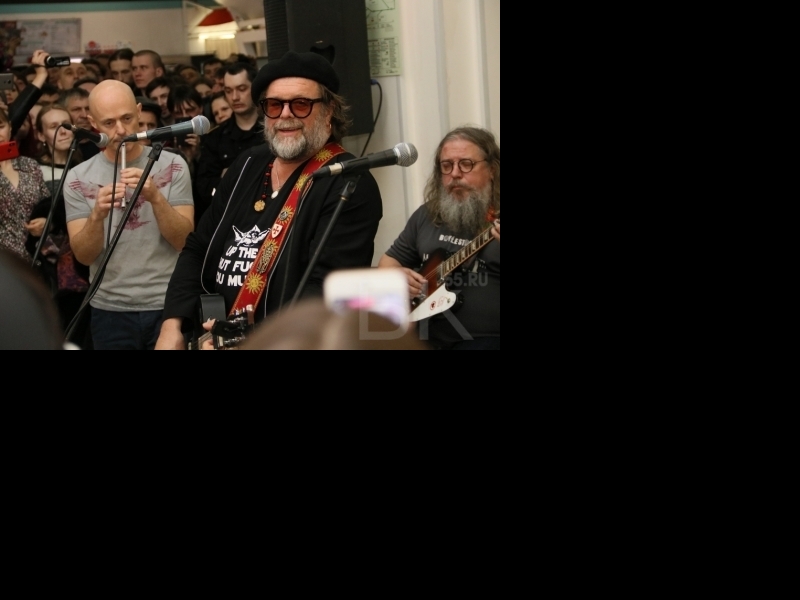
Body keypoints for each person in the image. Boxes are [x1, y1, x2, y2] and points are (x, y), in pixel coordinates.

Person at [155, 50, 383, 350]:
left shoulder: (348, 182)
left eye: (300, 104)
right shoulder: (248, 164)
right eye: (274, 105)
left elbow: (326, 290)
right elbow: (198, 247)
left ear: (329, 112)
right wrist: (172, 325)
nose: (285, 115)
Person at [63, 80, 195, 350]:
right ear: (93, 123)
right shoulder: (78, 177)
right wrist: (97, 215)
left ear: (138, 112)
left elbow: (184, 241)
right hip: (109, 308)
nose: (121, 130)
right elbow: (84, 256)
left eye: (126, 118)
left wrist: (155, 196)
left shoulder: (173, 163)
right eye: (108, 123)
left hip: (167, 301)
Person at [377, 126, 500, 350]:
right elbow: (388, 262)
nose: (455, 174)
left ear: (492, 169)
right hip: (422, 339)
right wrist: (397, 277)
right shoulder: (427, 215)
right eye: (447, 166)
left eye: (466, 164)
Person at [193, 62, 263, 226]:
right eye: (228, 91)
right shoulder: (215, 137)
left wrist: (229, 176)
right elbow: (204, 188)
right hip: (228, 218)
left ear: (255, 88)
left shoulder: (272, 130)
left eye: (242, 89)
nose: (235, 97)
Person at [0, 107, 50, 261]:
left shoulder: (30, 165)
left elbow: (47, 206)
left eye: (0, 126)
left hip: (33, 258)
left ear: (9, 127)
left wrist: (46, 223)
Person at [59, 87, 101, 160]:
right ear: (63, 112)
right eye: (76, 109)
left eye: (88, 109)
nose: (84, 115)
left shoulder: (103, 142)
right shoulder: (60, 147)